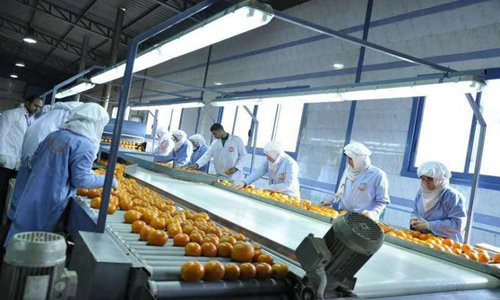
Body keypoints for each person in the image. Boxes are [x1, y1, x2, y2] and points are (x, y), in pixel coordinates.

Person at [4, 103, 117, 245]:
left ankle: (8, 259)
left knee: (19, 232)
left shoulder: (54, 135)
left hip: (31, 193)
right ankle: (23, 265)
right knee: (34, 241)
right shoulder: (85, 145)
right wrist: (108, 181)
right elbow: (81, 180)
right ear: (96, 124)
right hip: (50, 199)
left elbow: (33, 161)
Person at [7, 101, 83, 224]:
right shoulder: (51, 130)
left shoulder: (42, 122)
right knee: (27, 216)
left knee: (18, 209)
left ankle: (10, 235)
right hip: (35, 175)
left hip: (27, 170)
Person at [321, 142, 390, 221]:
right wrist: (331, 199)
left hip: (362, 221)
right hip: (343, 216)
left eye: (350, 159)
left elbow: (382, 201)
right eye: (348, 158)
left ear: (360, 159)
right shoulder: (349, 170)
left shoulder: (378, 175)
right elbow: (342, 190)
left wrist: (374, 213)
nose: (348, 162)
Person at [0, 96, 43, 217]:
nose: (37, 109)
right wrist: (1, 153)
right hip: (4, 161)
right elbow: (1, 133)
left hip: (18, 164)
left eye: (39, 107)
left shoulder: (33, 121)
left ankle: (4, 218)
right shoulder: (11, 114)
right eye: (35, 105)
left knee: (9, 193)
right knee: (1, 191)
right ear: (27, 103)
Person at [410, 161, 466, 242]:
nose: (426, 183)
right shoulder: (421, 192)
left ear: (439, 179)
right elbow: (415, 211)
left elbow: (457, 224)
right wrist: (414, 218)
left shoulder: (452, 196)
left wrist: (430, 226)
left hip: (445, 244)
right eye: (423, 179)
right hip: (422, 239)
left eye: (430, 179)